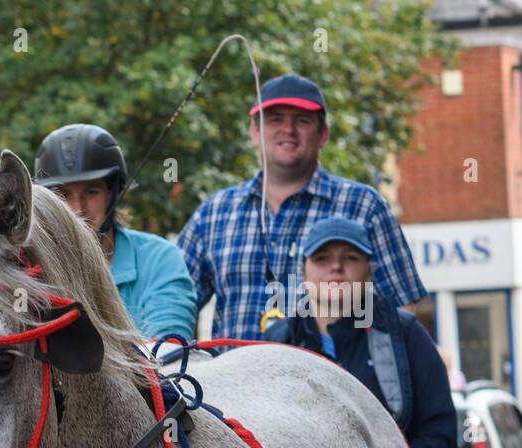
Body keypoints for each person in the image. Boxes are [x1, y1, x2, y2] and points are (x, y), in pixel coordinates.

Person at [176, 74, 427, 340]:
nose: (288, 129)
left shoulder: (365, 207)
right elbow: (174, 300)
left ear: (323, 134)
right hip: (233, 381)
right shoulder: (214, 214)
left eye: (302, 120)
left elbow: (401, 308)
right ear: (255, 132)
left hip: (333, 380)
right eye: (275, 119)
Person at [263, 216, 456, 448]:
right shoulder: (277, 342)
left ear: (369, 270)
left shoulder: (405, 334)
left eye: (351, 257)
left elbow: (441, 435)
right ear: (303, 273)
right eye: (321, 258)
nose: (336, 267)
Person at [34, 123, 197, 341]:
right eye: (62, 195)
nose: (77, 209)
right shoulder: (29, 268)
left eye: (91, 192)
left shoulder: (160, 259)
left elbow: (168, 350)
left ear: (114, 192)